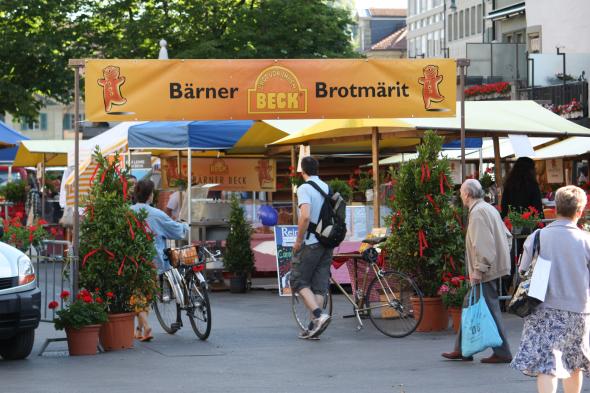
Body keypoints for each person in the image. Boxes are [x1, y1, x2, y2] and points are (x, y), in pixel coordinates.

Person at [511, 185, 590, 393]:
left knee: (548, 365)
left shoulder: (538, 236)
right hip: (579, 311)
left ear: (556, 208)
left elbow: (522, 270)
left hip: (542, 308)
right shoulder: (586, 240)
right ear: (580, 211)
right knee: (574, 363)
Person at [442, 179, 513, 363]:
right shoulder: (488, 208)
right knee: (470, 303)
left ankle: (502, 352)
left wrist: (480, 269)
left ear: (467, 194)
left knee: (488, 308)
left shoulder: (478, 213)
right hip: (493, 267)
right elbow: (508, 237)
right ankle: (463, 349)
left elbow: (483, 245)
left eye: (461, 193)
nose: (460, 196)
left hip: (486, 270)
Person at [131, 179, 189, 341]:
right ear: (150, 196)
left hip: (131, 260)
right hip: (154, 261)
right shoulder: (157, 214)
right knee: (145, 295)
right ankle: (145, 327)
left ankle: (139, 329)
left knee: (138, 294)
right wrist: (185, 225)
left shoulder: (127, 212)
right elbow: (177, 231)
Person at [290, 156, 332, 339]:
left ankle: (319, 315)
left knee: (298, 281)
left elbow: (305, 216)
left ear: (302, 171)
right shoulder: (326, 187)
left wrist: (298, 240)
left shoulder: (304, 188)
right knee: (319, 287)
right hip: (327, 243)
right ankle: (314, 327)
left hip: (311, 242)